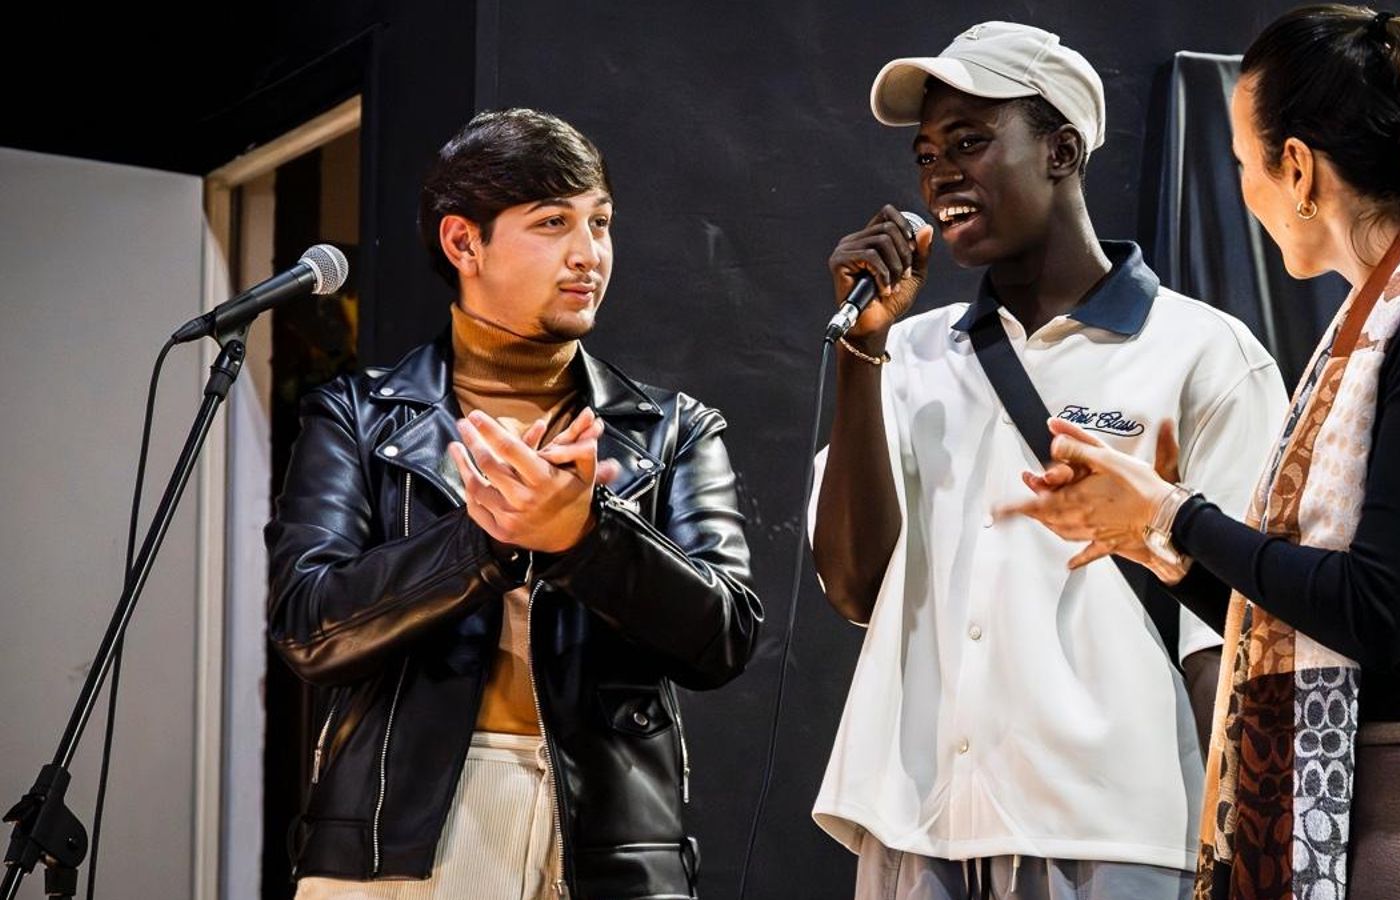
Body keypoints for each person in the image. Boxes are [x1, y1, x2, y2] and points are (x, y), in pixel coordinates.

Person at [998, 7, 1400, 899]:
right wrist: (1167, 552)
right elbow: (1298, 618)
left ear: (1295, 168)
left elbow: (1375, 612)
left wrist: (1176, 512)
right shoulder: (1377, 326)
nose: (1242, 188)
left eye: (1239, 161)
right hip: (1376, 813)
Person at [809, 21, 1287, 900]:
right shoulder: (905, 353)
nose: (940, 173)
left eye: (970, 141)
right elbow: (851, 585)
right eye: (926, 154)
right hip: (915, 826)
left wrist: (1242, 843)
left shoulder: (1203, 353)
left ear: (1062, 149)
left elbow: (1234, 633)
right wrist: (858, 355)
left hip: (1117, 830)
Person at [265, 108, 762, 900]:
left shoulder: (671, 428)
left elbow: (725, 636)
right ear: (464, 243)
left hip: (611, 840)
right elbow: (308, 628)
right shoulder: (356, 416)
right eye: (552, 223)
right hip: (403, 834)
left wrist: (586, 539)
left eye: (600, 223)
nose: (588, 254)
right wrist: (484, 544)